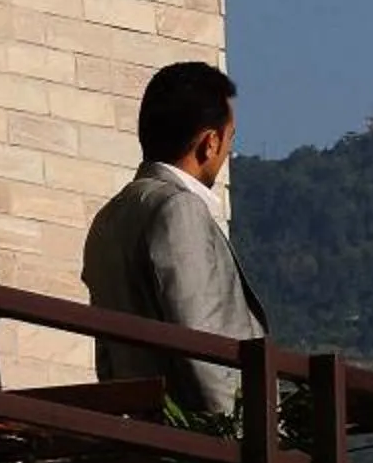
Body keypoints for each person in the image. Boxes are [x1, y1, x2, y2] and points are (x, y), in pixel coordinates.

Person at [82, 61, 268, 413]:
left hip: (139, 430)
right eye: (230, 138)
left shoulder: (110, 217)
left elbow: (108, 355)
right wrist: (243, 433)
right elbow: (201, 336)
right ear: (209, 143)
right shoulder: (177, 209)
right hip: (196, 442)